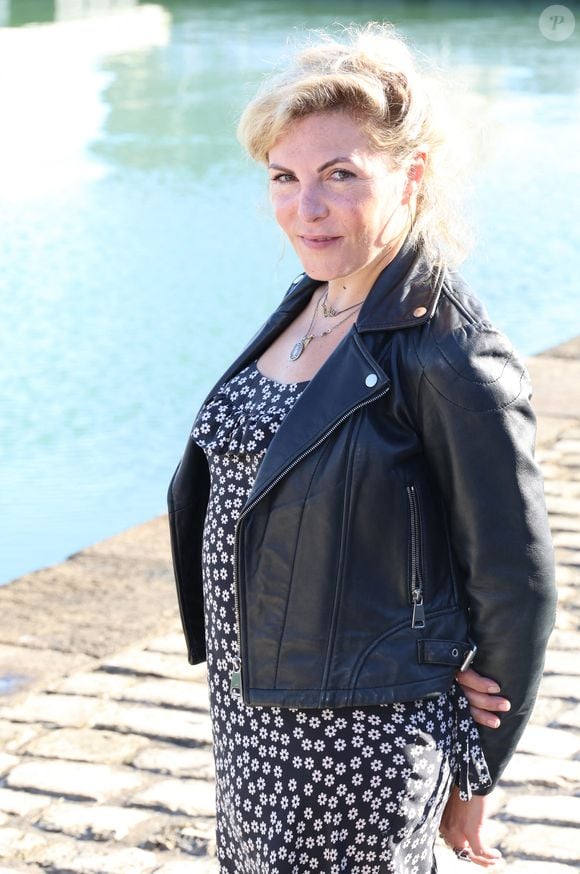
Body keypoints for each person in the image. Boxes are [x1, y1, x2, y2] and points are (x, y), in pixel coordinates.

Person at [167, 22, 556, 874]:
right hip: (254, 710)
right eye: (285, 177)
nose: (306, 208)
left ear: (410, 176)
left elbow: (516, 580)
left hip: (358, 739)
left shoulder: (449, 350)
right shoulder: (314, 296)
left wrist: (476, 767)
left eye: (340, 175)